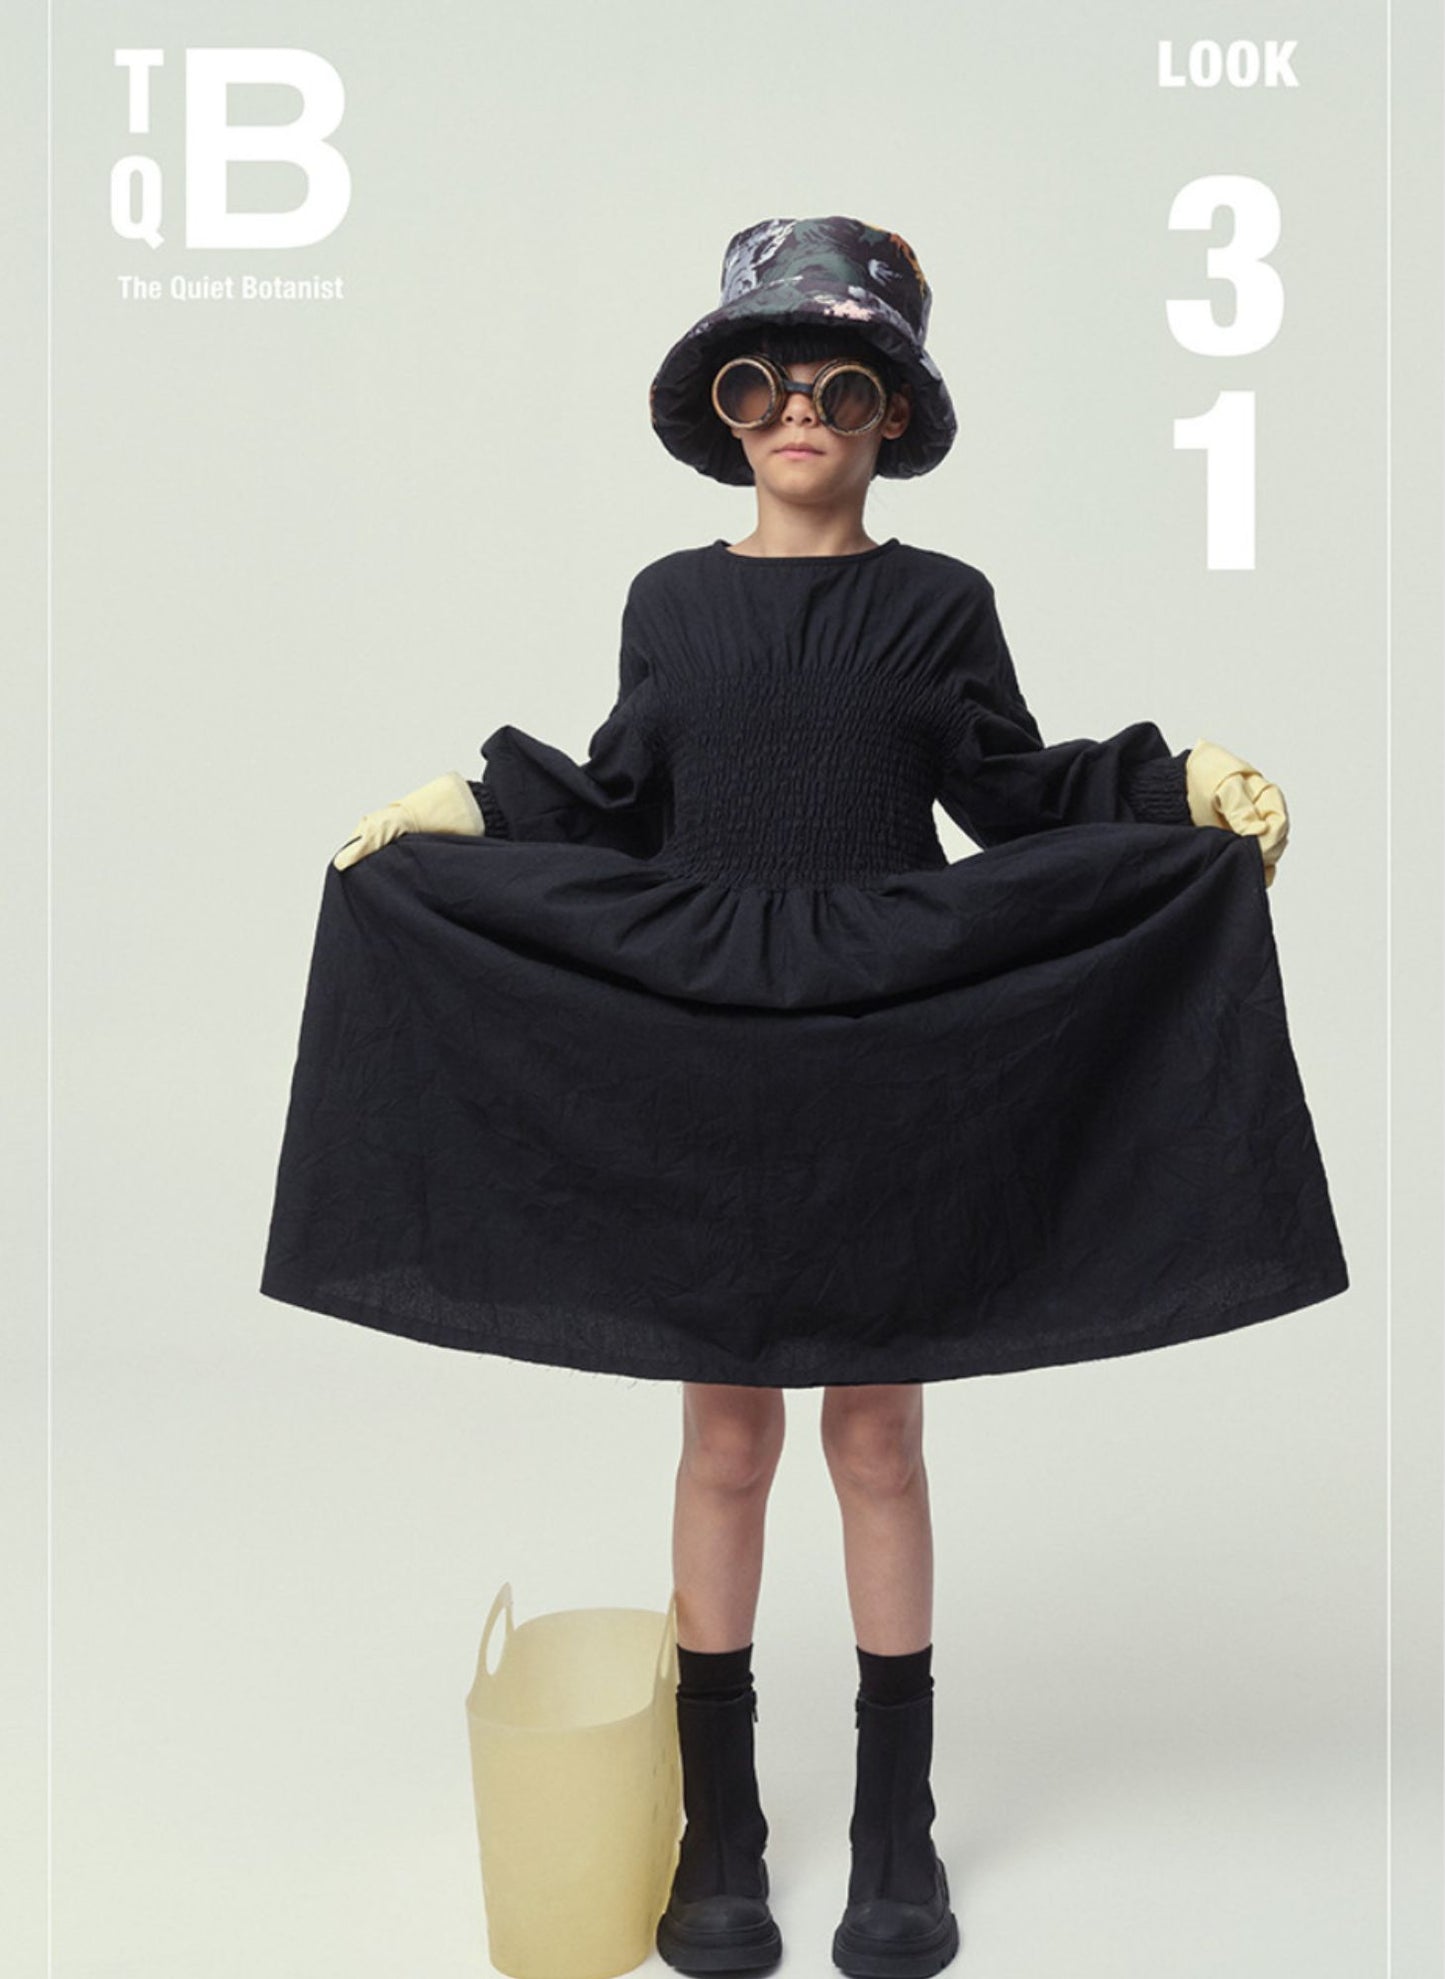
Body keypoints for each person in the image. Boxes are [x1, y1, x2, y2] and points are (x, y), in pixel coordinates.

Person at [260, 216, 1348, 1977]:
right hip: (706, 1048)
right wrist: (464, 810)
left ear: (890, 414)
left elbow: (1014, 788)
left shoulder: (940, 603)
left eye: (840, 385)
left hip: (885, 1042)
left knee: (876, 1434)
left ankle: (896, 1822)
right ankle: (726, 1824)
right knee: (723, 1437)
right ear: (719, 403)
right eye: (760, 380)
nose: (797, 411)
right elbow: (619, 792)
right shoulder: (670, 600)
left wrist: (1173, 785)